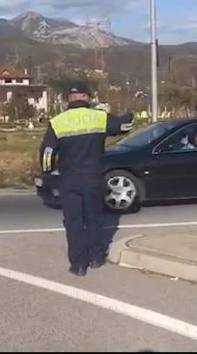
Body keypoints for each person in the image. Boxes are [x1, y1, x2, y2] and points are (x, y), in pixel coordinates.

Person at [40, 82, 135, 276]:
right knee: (94, 218)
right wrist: (130, 114)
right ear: (87, 97)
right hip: (93, 177)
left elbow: (47, 153)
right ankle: (96, 257)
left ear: (69, 98)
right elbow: (124, 126)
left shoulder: (58, 121)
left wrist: (47, 172)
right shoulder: (99, 117)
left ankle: (78, 264)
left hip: (69, 180)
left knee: (73, 221)